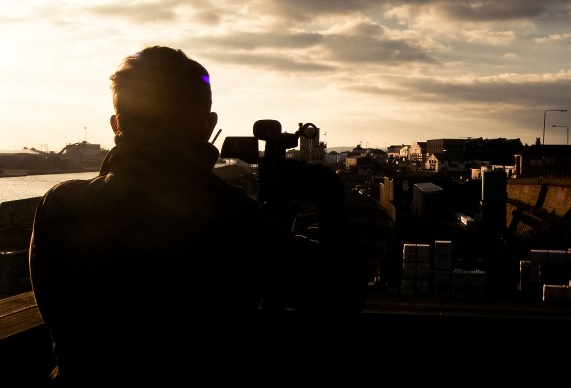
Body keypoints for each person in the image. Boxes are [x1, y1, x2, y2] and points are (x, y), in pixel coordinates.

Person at [28, 46, 367, 387]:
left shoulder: (59, 204)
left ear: (117, 124)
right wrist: (329, 201)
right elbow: (345, 296)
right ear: (208, 125)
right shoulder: (235, 221)